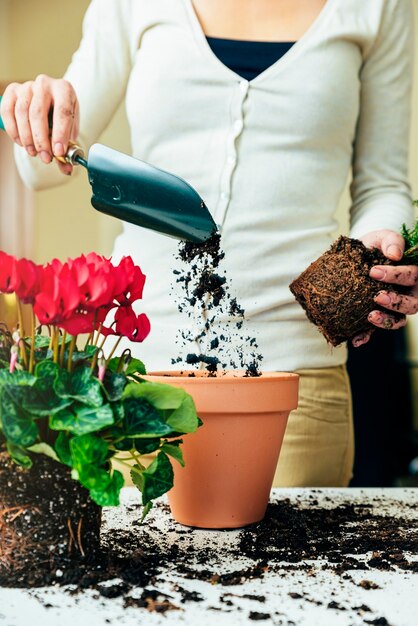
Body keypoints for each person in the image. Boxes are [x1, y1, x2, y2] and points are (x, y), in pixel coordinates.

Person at [1, 0, 416, 487]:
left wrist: (381, 243)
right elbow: (40, 167)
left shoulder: (375, 8)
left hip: (294, 388)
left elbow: (383, 184)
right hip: (140, 383)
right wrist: (36, 107)